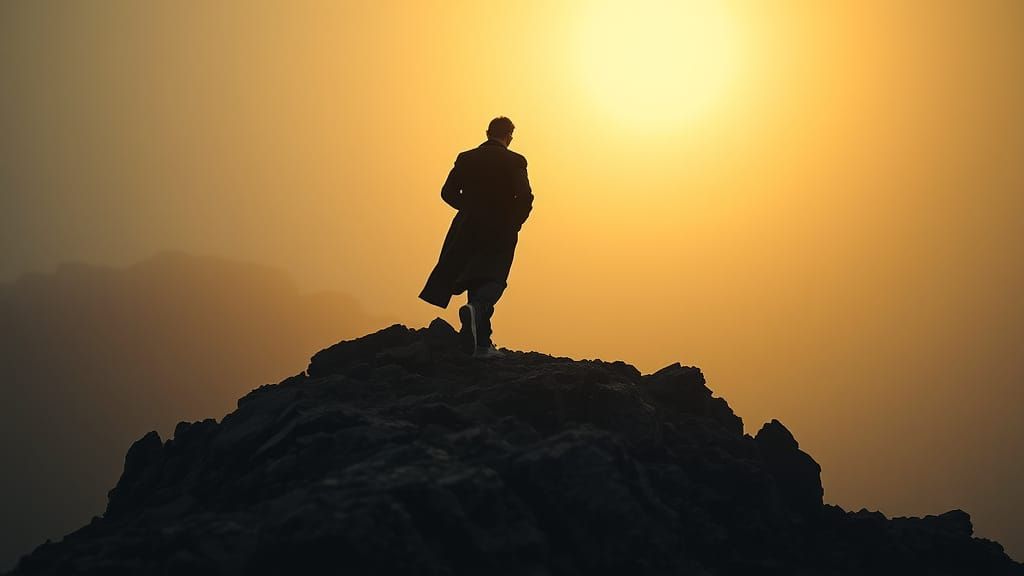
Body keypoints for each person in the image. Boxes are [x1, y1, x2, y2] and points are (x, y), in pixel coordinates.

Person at [419, 116, 533, 358]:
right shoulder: (515, 161)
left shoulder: (466, 157)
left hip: (466, 227)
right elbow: (525, 198)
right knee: (493, 277)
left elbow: (447, 192)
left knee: (472, 276)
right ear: (509, 136)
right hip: (501, 227)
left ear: (487, 133)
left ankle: (481, 344)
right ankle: (477, 311)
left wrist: (470, 209)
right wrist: (513, 223)